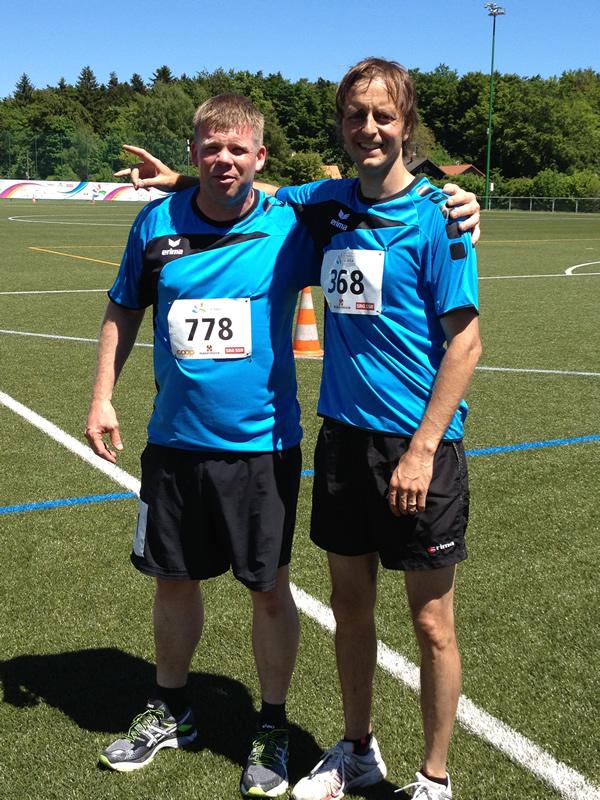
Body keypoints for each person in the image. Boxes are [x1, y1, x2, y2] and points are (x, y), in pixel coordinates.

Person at [113, 59, 481, 800]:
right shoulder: (329, 202)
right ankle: (357, 751)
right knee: (350, 609)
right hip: (342, 439)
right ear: (342, 125)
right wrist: (182, 180)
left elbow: (466, 343)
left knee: (432, 624)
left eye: (384, 116)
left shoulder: (440, 216)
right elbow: (252, 190)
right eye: (356, 115)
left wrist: (421, 450)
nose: (369, 128)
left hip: (419, 447)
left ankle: (435, 778)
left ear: (406, 125)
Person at [85, 94, 321, 798]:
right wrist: (102, 395)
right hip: (175, 444)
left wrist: (457, 203)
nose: (223, 159)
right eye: (210, 148)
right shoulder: (155, 223)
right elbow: (124, 306)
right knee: (173, 580)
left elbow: (374, 205)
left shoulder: (289, 225)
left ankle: (271, 724)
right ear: (192, 153)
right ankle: (173, 708)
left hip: (262, 447)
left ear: (260, 157)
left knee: (269, 589)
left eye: (237, 149)